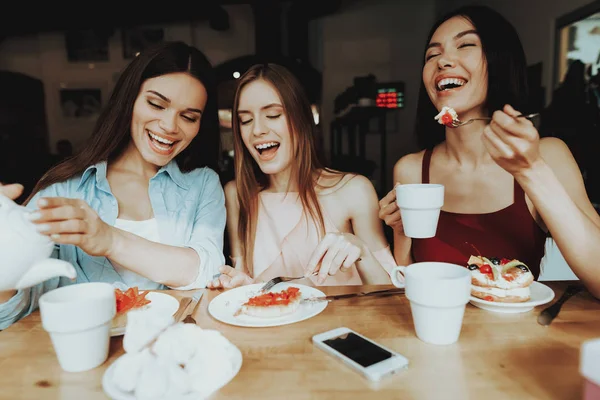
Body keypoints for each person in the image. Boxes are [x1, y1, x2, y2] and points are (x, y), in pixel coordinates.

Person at [0, 41, 226, 329]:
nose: (170, 126)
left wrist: (109, 239)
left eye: (188, 116)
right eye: (156, 104)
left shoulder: (202, 185)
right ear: (129, 100)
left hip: (173, 356)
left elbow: (205, 269)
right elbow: (14, 312)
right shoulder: (63, 191)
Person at [378, 5, 600, 298]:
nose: (443, 60)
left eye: (465, 45)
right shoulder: (410, 169)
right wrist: (401, 232)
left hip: (517, 338)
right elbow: (405, 285)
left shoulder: (547, 155)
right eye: (432, 55)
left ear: (498, 62)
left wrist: (529, 170)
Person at [208, 63, 395, 289]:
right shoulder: (237, 194)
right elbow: (246, 281)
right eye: (245, 120)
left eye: (273, 114)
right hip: (271, 322)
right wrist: (239, 284)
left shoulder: (354, 190)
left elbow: (392, 294)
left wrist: (362, 252)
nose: (257, 130)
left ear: (302, 120)